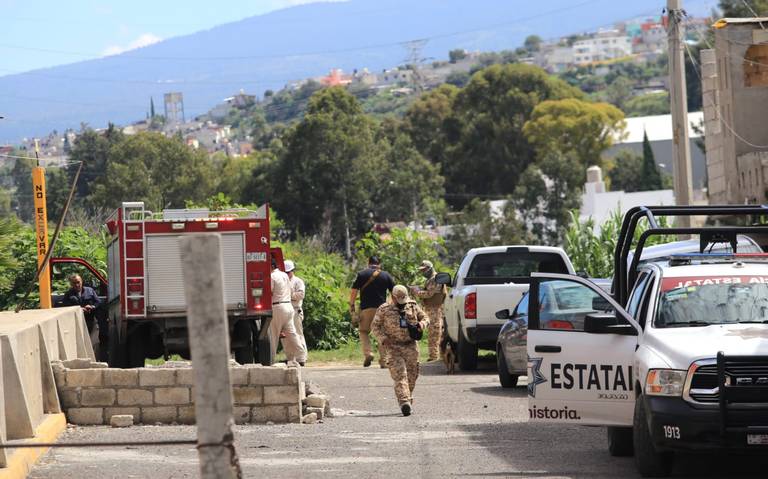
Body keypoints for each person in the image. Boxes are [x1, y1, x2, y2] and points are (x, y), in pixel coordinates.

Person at [371, 284, 429, 416]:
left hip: (411, 346)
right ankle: (404, 403)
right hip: (393, 347)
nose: (402, 303)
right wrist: (383, 338)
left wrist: (421, 324)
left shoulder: (412, 305)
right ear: (393, 297)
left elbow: (425, 317)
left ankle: (407, 398)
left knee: (412, 376)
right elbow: (375, 326)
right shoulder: (384, 309)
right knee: (400, 375)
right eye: (399, 300)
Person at [349, 255, 395, 368]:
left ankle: (368, 353)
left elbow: (354, 291)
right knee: (382, 333)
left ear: (368, 263)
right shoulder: (386, 275)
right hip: (382, 310)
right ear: (379, 264)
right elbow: (394, 292)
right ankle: (384, 360)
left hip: (366, 309)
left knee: (364, 331)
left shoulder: (362, 274)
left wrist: (352, 305)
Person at [60, 274, 107, 361]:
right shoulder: (68, 294)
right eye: (74, 283)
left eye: (78, 282)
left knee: (94, 343)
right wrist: (79, 309)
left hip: (91, 322)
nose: (77, 285)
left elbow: (98, 302)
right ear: (71, 284)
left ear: (82, 282)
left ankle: (95, 363)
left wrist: (92, 306)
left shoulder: (90, 291)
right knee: (81, 345)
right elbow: (65, 307)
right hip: (77, 325)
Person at [270, 258, 307, 366]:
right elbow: (290, 291)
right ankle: (299, 357)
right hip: (288, 307)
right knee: (291, 335)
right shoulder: (284, 276)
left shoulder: (273, 276)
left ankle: (270, 359)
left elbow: (270, 291)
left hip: (282, 307)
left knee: (274, 335)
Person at [411, 260, 447, 361]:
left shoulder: (435, 279)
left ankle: (435, 356)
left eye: (424, 270)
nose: (423, 272)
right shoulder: (431, 279)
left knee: (434, 333)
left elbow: (429, 294)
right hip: (431, 309)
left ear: (430, 268)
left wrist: (417, 291)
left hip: (435, 310)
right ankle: (435, 356)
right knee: (434, 333)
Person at [284, 260, 308, 358]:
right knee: (285, 336)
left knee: (298, 333)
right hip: (286, 309)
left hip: (295, 309)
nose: (287, 274)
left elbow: (301, 294)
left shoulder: (298, 281)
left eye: (288, 272)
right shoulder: (283, 280)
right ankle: (290, 357)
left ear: (292, 271)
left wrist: (287, 296)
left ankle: (302, 357)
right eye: (285, 272)